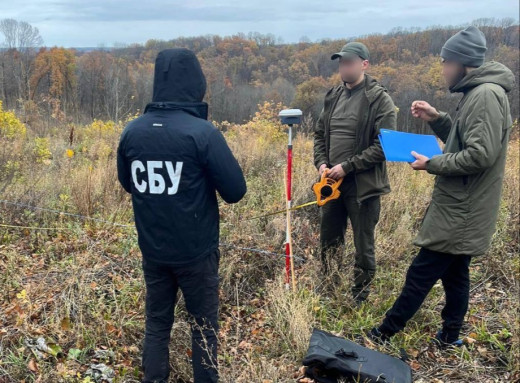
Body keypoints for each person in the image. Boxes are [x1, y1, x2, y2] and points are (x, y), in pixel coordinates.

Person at [369, 26, 514, 347]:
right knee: (456, 274)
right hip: (464, 205)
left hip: (462, 208)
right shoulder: (479, 93)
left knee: (421, 273)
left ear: (464, 63)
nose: (444, 69)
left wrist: (430, 163)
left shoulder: (486, 95)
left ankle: (383, 334)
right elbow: (465, 140)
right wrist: (437, 118)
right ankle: (450, 337)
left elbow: (480, 155)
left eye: (447, 62)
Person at [117, 48, 247, 383]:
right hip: (196, 254)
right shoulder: (202, 134)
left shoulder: (133, 132)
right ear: (195, 82)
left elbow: (129, 184)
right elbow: (235, 191)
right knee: (203, 326)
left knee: (157, 323)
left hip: (154, 250)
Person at [313, 41, 397, 304]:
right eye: (341, 62)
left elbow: (385, 146)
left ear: (364, 64)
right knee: (329, 238)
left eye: (349, 62)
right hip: (330, 184)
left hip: (363, 187)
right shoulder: (333, 95)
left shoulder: (379, 99)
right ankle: (329, 286)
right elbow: (318, 135)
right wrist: (322, 163)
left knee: (363, 244)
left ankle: (359, 296)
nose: (344, 67)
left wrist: (347, 167)